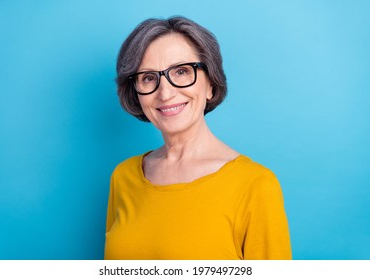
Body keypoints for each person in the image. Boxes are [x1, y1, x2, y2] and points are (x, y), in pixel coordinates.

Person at [104, 16, 291, 260]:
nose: (165, 92)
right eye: (149, 77)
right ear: (136, 92)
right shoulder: (123, 176)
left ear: (211, 83)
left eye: (181, 71)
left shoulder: (255, 185)